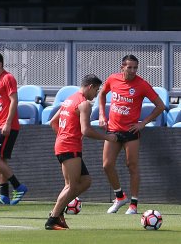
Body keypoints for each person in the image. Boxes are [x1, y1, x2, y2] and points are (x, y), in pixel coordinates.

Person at [46, 75, 118, 230]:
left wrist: (65, 135)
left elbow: (53, 122)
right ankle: (53, 218)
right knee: (71, 186)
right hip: (69, 146)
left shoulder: (69, 99)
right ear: (90, 86)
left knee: (85, 181)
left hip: (65, 145)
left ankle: (57, 213)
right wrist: (107, 137)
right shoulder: (84, 104)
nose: (96, 94)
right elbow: (86, 130)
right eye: (97, 90)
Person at [99, 54, 166, 215]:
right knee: (107, 165)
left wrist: (143, 123)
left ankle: (133, 205)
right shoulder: (113, 79)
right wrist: (102, 115)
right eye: (129, 67)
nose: (133, 70)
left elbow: (160, 106)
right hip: (113, 129)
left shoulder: (142, 84)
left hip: (131, 131)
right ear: (122, 67)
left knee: (132, 166)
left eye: (135, 67)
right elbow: (102, 94)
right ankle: (120, 196)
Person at [0, 51, 28, 205]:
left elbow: (14, 100)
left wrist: (8, 123)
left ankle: (18, 186)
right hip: (0, 124)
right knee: (0, 159)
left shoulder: (8, 78)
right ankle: (4, 196)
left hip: (7, 125)